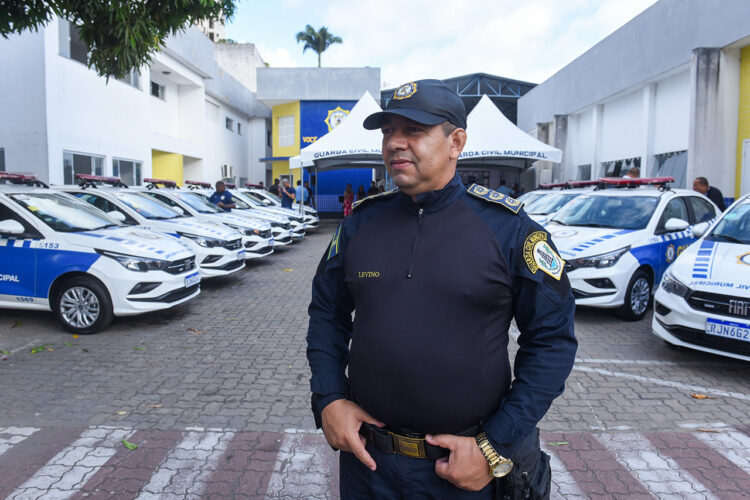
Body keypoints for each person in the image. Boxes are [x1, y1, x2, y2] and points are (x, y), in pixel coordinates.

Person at [307, 79, 577, 499]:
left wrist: (495, 447)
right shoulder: (360, 225)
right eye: (387, 131)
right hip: (369, 465)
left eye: (413, 130)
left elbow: (553, 340)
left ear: (456, 142)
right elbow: (327, 312)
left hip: (464, 471)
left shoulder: (508, 229)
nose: (395, 143)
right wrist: (328, 398)